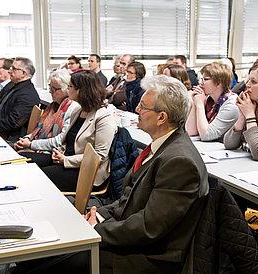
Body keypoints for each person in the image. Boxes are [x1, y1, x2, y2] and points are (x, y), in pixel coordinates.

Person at [12, 75, 209, 274]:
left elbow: (148, 227)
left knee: (48, 263)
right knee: (41, 253)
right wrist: (98, 215)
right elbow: (128, 200)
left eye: (143, 107)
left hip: (148, 255)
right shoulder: (162, 146)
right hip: (128, 234)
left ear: (162, 117)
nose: (137, 111)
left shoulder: (180, 162)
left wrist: (95, 230)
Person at [27, 70, 116, 192]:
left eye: (70, 86)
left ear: (80, 90)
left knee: (37, 176)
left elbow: (98, 156)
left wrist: (66, 160)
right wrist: (58, 152)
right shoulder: (78, 110)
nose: (67, 89)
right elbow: (67, 141)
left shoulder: (103, 117)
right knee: (25, 158)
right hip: (67, 158)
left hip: (87, 172)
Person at [14, 69, 76, 153]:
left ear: (66, 90)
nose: (50, 91)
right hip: (40, 145)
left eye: (54, 89)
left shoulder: (72, 108)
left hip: (55, 152)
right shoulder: (53, 106)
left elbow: (60, 141)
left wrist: (31, 144)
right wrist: (26, 138)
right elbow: (38, 131)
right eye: (50, 87)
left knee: (20, 155)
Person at [0, 57, 40, 142]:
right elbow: (0, 110)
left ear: (24, 73)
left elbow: (13, 122)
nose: (9, 71)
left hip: (8, 136)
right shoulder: (15, 87)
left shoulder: (27, 94)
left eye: (13, 68)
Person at [186, 62, 239, 142]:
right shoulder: (209, 100)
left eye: (205, 79)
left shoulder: (232, 104)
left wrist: (200, 105)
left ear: (218, 83)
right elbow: (190, 131)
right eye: (201, 79)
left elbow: (206, 135)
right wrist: (195, 103)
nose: (201, 83)